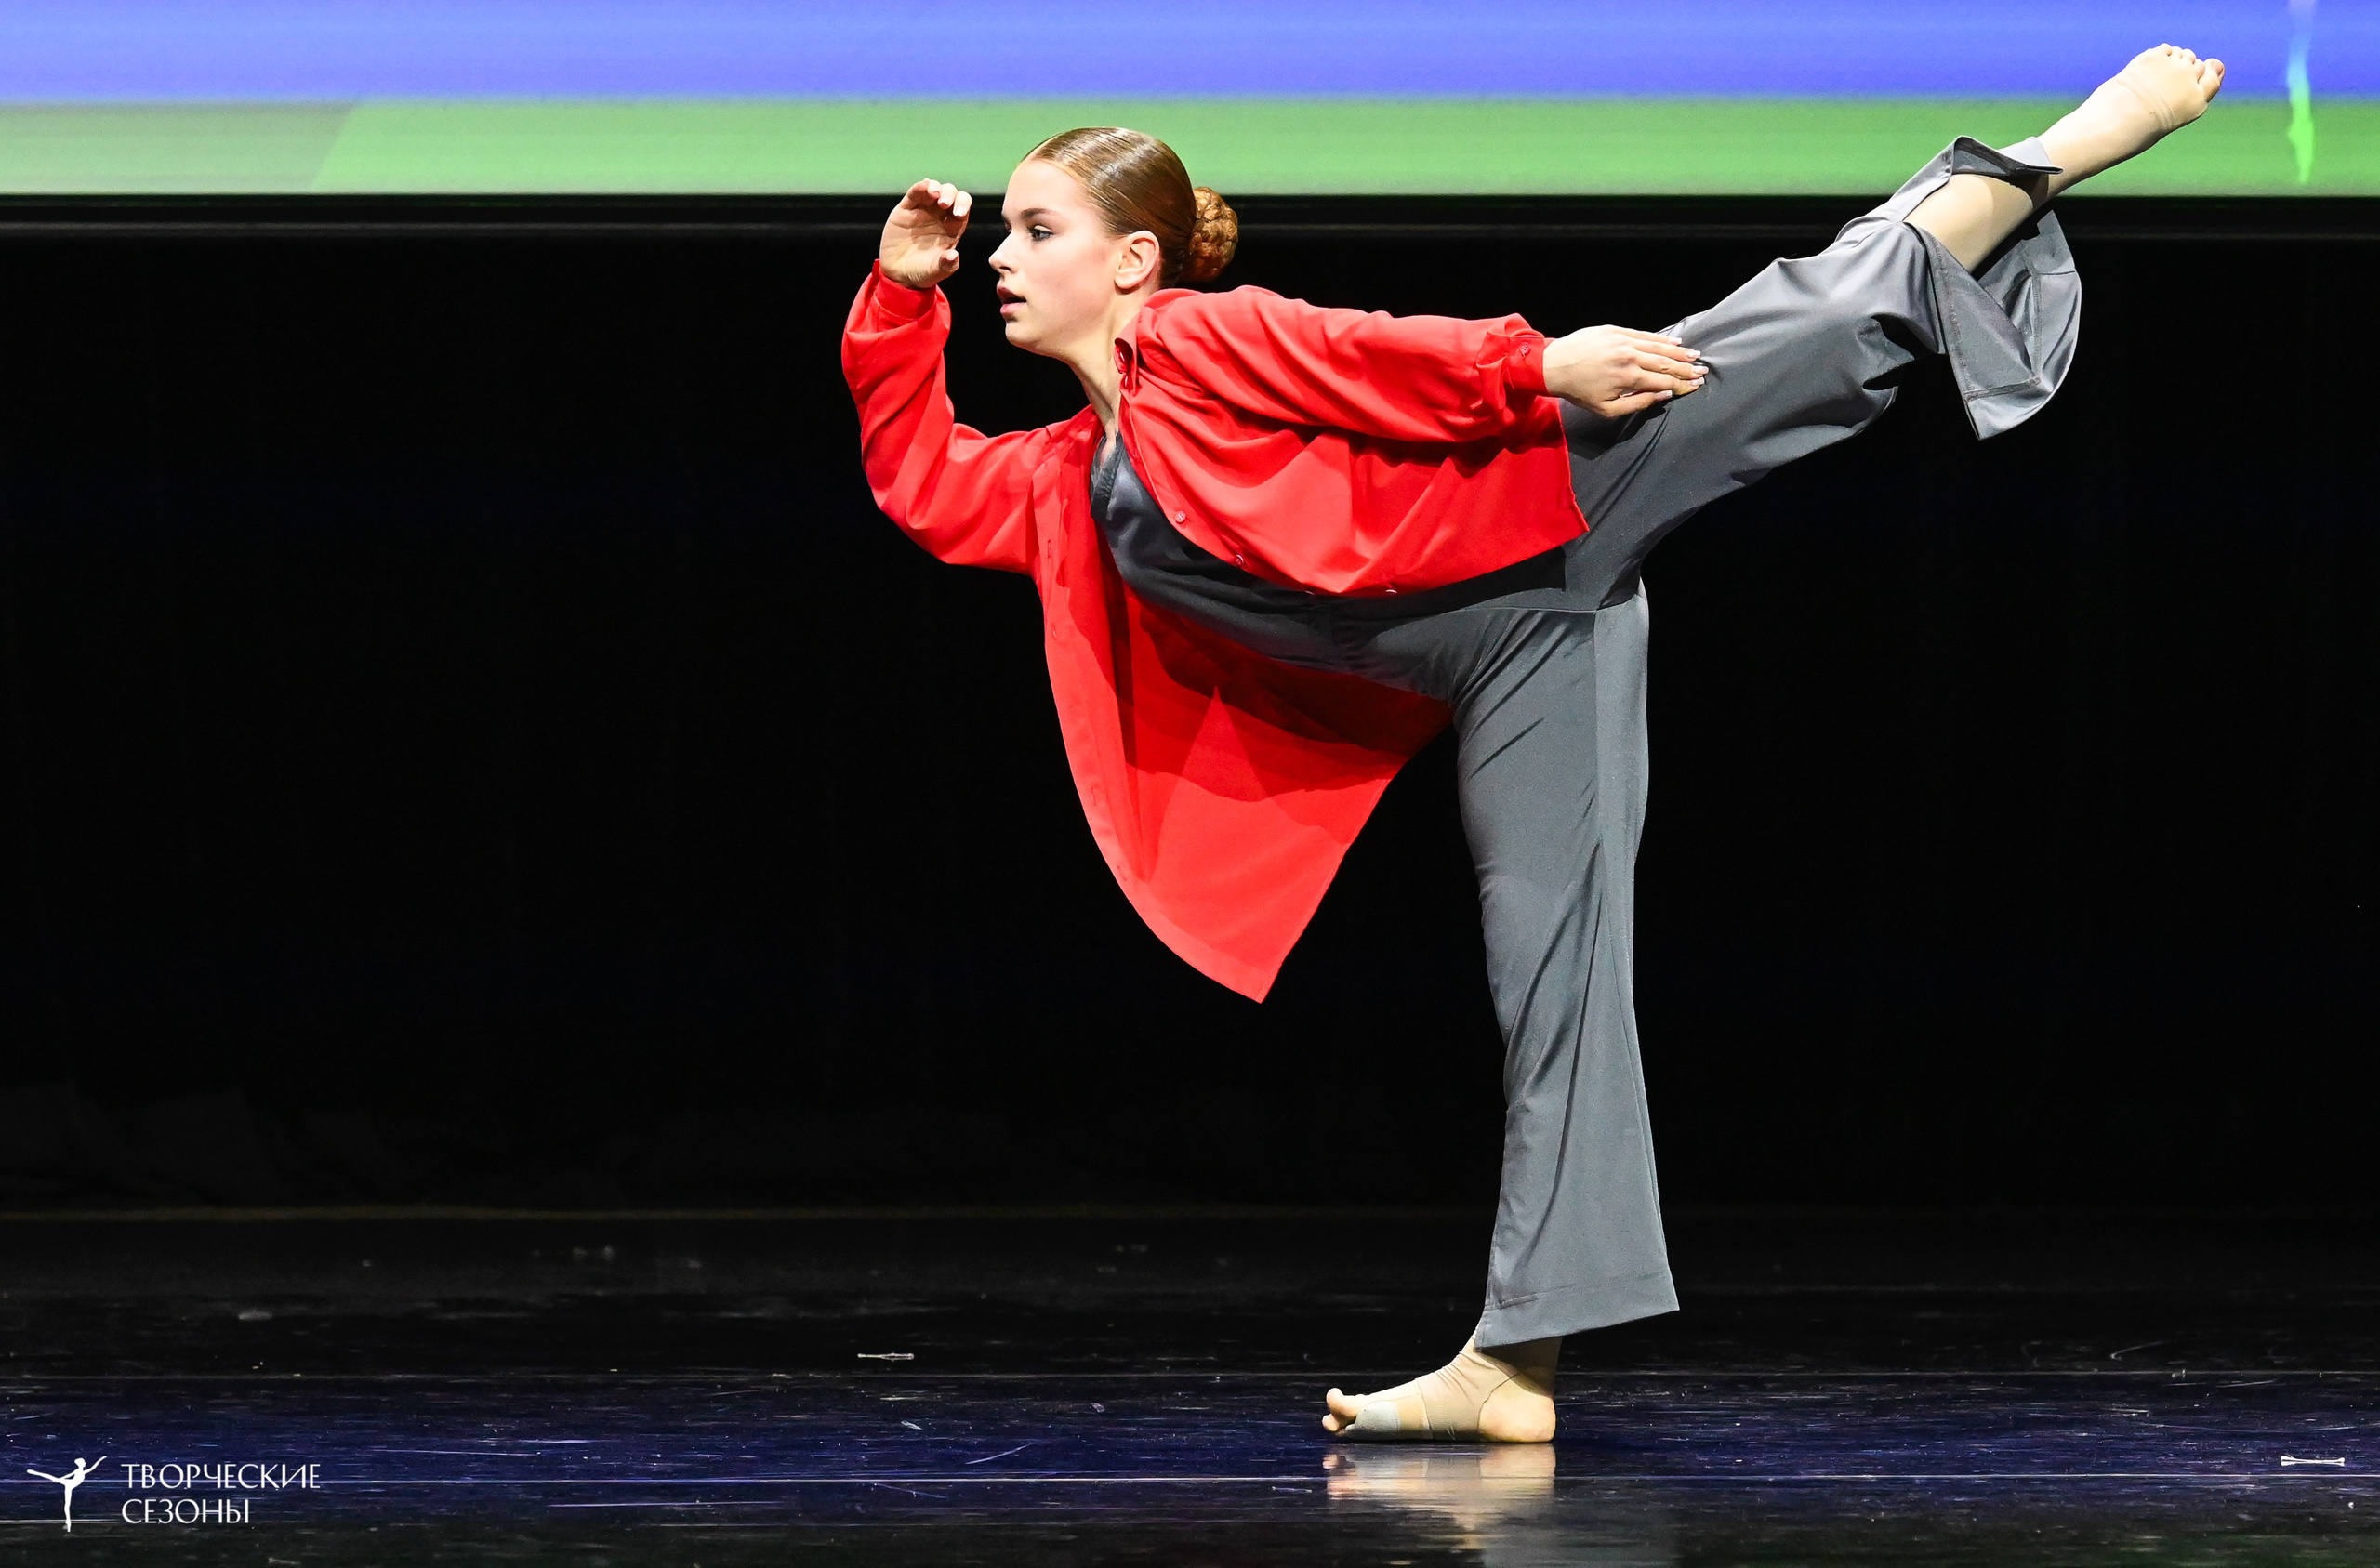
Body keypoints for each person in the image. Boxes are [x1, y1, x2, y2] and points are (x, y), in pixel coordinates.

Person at [842, 46, 2225, 1442]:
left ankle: (2070, 140)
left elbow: (1357, 350)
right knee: (1551, 977)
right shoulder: (1067, 481)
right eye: (1005, 234)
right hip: (1519, 653)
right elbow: (920, 486)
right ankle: (1518, 1371)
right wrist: (904, 298)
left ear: (1136, 259)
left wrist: (1538, 365)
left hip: (1552, 495)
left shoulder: (1195, 338)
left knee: (1784, 327)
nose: (1004, 259)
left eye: (1037, 230)